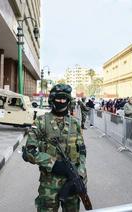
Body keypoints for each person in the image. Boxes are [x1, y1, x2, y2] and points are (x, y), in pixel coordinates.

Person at [22, 84, 88, 212]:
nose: (61, 101)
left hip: (72, 182)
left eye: (64, 98)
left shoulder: (74, 123)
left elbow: (82, 151)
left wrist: (80, 174)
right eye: (58, 98)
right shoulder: (41, 122)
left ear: (69, 100)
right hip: (49, 184)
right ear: (52, 99)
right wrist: (53, 164)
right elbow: (29, 152)